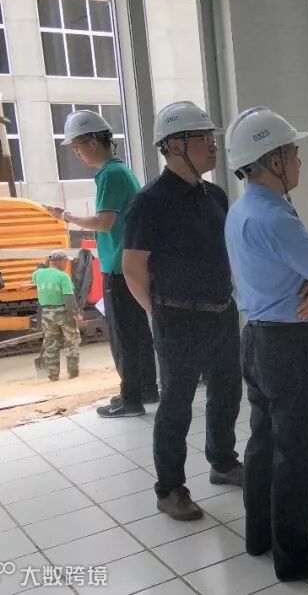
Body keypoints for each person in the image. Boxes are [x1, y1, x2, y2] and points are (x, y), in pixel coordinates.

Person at [225, 106, 308, 581]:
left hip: (257, 338)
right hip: (291, 344)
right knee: (300, 450)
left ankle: (261, 534)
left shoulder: (243, 209)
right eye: (294, 154)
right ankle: (295, 554)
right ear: (274, 159)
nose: (299, 162)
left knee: (264, 441)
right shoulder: (276, 218)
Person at [121, 101, 243, 520]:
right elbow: (133, 268)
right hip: (176, 318)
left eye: (212, 138)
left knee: (227, 392)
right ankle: (170, 488)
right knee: (177, 404)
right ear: (174, 145)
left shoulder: (215, 195)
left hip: (221, 311)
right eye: (203, 138)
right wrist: (157, 313)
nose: (213, 146)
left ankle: (223, 462)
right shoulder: (149, 202)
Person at [47, 110, 157, 417]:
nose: (76, 153)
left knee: (123, 336)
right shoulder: (120, 171)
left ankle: (130, 398)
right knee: (137, 332)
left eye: (77, 146)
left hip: (118, 268)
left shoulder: (111, 175)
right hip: (127, 265)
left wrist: (67, 217)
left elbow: (104, 222)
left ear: (93, 142)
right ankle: (147, 389)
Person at [31, 250, 83, 381]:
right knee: (71, 342)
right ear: (62, 261)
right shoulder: (63, 276)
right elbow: (68, 298)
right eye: (66, 261)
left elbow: (39, 270)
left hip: (46, 314)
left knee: (51, 344)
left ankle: (53, 376)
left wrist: (46, 261)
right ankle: (73, 374)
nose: (67, 264)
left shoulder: (38, 274)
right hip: (63, 312)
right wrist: (76, 314)